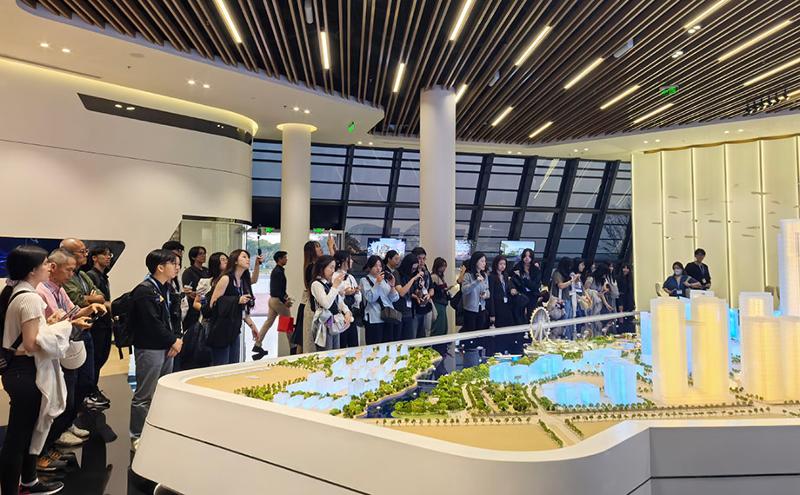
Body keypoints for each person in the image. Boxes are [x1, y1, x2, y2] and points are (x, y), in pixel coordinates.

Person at [1, 246, 91, 495]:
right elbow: (31, 344)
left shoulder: (18, 291)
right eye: (44, 264)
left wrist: (53, 325)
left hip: (20, 371)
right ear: (32, 270)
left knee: (28, 432)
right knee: (19, 437)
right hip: (25, 372)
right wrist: (66, 328)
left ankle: (29, 482)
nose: (49, 267)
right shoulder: (30, 298)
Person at [36, 249, 105, 457]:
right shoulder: (40, 292)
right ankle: (51, 441)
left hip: (70, 343)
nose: (71, 274)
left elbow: (72, 312)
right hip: (55, 351)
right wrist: (73, 321)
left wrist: (90, 308)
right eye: (68, 270)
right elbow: (54, 324)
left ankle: (63, 427)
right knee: (62, 395)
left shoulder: (59, 288)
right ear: (52, 267)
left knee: (80, 386)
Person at [129, 249, 183, 450]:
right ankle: (137, 435)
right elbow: (151, 323)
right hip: (150, 347)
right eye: (173, 263)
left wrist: (177, 339)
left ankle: (157, 430)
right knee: (144, 395)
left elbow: (174, 317)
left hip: (167, 346)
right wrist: (173, 340)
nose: (177, 267)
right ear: (160, 267)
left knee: (161, 391)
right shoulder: (145, 291)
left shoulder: (167, 288)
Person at [59, 239, 107, 414]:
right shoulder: (63, 281)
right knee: (72, 379)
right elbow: (77, 300)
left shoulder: (83, 275)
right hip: (70, 334)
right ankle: (66, 420)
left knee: (87, 375)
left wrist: (93, 298)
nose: (86, 254)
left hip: (86, 329)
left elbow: (100, 295)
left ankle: (75, 413)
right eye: (82, 251)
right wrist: (92, 299)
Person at [207, 250, 257, 366]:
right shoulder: (226, 278)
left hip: (234, 329)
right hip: (221, 329)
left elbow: (243, 310)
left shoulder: (243, 281)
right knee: (222, 365)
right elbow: (213, 303)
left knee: (233, 365)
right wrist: (236, 300)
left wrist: (252, 326)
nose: (247, 259)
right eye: (244, 257)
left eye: (248, 257)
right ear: (235, 261)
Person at [85, 245, 113, 402]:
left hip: (105, 323)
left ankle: (92, 388)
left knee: (101, 357)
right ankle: (90, 391)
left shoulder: (103, 276)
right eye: (104, 254)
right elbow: (96, 299)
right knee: (95, 358)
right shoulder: (91, 276)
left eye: (109, 254)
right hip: (96, 324)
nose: (108, 257)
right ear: (94, 258)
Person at [253, 251, 292, 360]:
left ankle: (257, 344)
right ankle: (293, 347)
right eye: (285, 257)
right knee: (288, 323)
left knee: (268, 322)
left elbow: (277, 289)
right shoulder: (278, 272)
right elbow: (278, 289)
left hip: (272, 300)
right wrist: (285, 300)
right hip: (278, 301)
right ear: (279, 259)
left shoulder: (276, 271)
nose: (286, 259)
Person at [309, 256, 352, 350]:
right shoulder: (316, 284)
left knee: (336, 351)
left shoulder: (329, 284)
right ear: (322, 268)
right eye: (331, 267)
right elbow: (326, 304)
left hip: (334, 322)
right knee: (326, 352)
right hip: (323, 324)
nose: (333, 271)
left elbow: (339, 301)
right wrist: (335, 286)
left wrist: (347, 312)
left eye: (334, 267)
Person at [487, 255, 525, 355]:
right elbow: (491, 296)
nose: (502, 266)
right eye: (500, 264)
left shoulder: (505, 276)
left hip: (507, 306)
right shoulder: (491, 277)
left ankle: (507, 350)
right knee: (499, 331)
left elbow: (508, 288)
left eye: (504, 264)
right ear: (496, 264)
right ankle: (498, 350)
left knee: (508, 329)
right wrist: (492, 313)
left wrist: (512, 290)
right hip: (497, 306)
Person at [360, 256, 399, 344]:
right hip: (374, 318)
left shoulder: (385, 280)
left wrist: (392, 286)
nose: (378, 268)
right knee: (375, 346)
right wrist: (377, 283)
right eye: (375, 266)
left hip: (388, 317)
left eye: (380, 266)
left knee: (388, 345)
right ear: (369, 267)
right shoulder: (364, 280)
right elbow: (370, 298)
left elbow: (395, 298)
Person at [299, 241, 324, 354]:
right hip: (313, 308)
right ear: (311, 251)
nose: (320, 248)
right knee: (311, 343)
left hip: (316, 307)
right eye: (317, 247)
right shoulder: (311, 268)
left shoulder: (314, 266)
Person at [394, 254, 425, 341]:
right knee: (398, 341)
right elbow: (401, 292)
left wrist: (420, 287)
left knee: (409, 340)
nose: (413, 271)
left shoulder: (411, 276)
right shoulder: (397, 273)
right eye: (412, 268)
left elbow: (415, 293)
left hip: (409, 312)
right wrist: (413, 279)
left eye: (415, 269)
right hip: (398, 313)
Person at [334, 251, 361, 348]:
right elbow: (334, 295)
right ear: (343, 261)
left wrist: (356, 292)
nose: (352, 261)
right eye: (349, 259)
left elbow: (358, 298)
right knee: (341, 344)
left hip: (351, 311)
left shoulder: (350, 277)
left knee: (353, 343)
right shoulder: (335, 276)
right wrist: (345, 293)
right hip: (339, 314)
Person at [181, 246, 209, 337]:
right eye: (200, 254)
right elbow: (189, 292)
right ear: (193, 257)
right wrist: (198, 294)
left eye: (204, 253)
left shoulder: (207, 271)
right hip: (193, 308)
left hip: (206, 305)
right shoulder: (188, 272)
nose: (204, 256)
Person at [551, 257, 579, 339]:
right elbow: (561, 285)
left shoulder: (566, 274)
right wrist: (571, 281)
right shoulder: (557, 274)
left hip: (567, 298)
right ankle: (562, 337)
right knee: (563, 320)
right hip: (560, 300)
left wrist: (576, 279)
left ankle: (569, 337)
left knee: (569, 320)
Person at [511, 248, 541, 319]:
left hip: (532, 295)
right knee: (519, 315)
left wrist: (524, 279)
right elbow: (513, 279)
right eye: (525, 256)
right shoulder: (517, 267)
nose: (527, 258)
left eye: (529, 256)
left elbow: (534, 286)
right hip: (521, 294)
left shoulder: (535, 269)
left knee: (531, 315)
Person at [410, 247, 434, 338]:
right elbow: (408, 291)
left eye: (424, 258)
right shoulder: (411, 272)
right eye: (419, 258)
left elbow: (431, 288)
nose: (422, 261)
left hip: (426, 306)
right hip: (414, 308)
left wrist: (429, 294)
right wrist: (416, 295)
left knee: (426, 333)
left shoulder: (426, 272)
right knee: (413, 335)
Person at [430, 257, 452, 337]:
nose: (444, 268)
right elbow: (433, 289)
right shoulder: (434, 277)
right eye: (442, 266)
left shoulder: (441, 277)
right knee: (439, 326)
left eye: (445, 266)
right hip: (437, 303)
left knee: (443, 326)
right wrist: (444, 289)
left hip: (442, 303)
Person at [382, 250, 402, 341]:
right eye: (395, 259)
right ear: (389, 259)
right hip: (387, 306)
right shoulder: (385, 272)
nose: (398, 261)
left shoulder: (396, 272)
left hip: (394, 301)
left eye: (399, 259)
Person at [617, 263, 635, 333]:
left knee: (630, 324)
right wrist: (620, 308)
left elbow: (631, 292)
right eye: (624, 268)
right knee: (622, 323)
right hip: (621, 302)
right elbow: (619, 294)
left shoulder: (629, 279)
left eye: (627, 268)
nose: (626, 270)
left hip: (629, 303)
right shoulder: (618, 279)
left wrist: (633, 304)